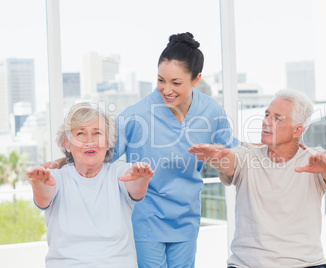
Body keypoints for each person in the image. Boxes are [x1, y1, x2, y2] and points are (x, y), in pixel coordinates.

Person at [44, 32, 240, 268]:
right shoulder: (137, 114)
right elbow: (99, 152)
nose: (166, 90)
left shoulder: (211, 112)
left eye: (176, 83)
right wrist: (59, 163)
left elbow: (233, 152)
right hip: (146, 217)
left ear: (196, 80)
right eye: (160, 80)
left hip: (186, 216)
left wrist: (265, 151)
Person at [189, 88, 326, 268]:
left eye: (277, 118)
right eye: (267, 115)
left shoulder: (313, 160)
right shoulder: (248, 156)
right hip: (248, 265)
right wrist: (217, 158)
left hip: (307, 264)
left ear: (297, 130)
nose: (266, 122)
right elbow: (229, 160)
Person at [28, 102, 154, 268]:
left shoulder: (119, 172)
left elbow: (136, 189)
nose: (90, 141)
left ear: (108, 143)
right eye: (80, 133)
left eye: (97, 133)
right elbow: (44, 197)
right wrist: (38, 184)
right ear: (67, 144)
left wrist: (142, 179)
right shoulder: (57, 177)